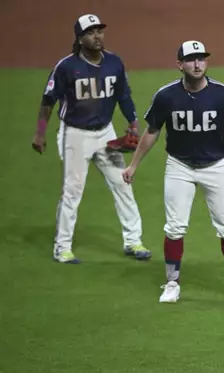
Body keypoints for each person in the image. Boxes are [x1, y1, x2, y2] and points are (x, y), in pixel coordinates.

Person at [122, 40, 224, 304]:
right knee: (175, 228)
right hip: (179, 167)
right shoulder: (166, 96)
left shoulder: (222, 94)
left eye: (201, 59)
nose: (197, 64)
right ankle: (172, 283)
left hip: (216, 166)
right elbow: (152, 131)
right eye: (191, 59)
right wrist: (133, 165)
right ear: (180, 64)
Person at [31, 14, 151, 264]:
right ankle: (62, 247)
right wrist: (40, 132)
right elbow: (47, 102)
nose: (97, 36)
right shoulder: (66, 67)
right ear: (80, 38)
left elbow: (124, 95)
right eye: (91, 32)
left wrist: (133, 122)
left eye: (100, 31)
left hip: (105, 132)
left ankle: (133, 241)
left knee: (122, 183)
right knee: (73, 190)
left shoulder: (114, 63)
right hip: (74, 135)